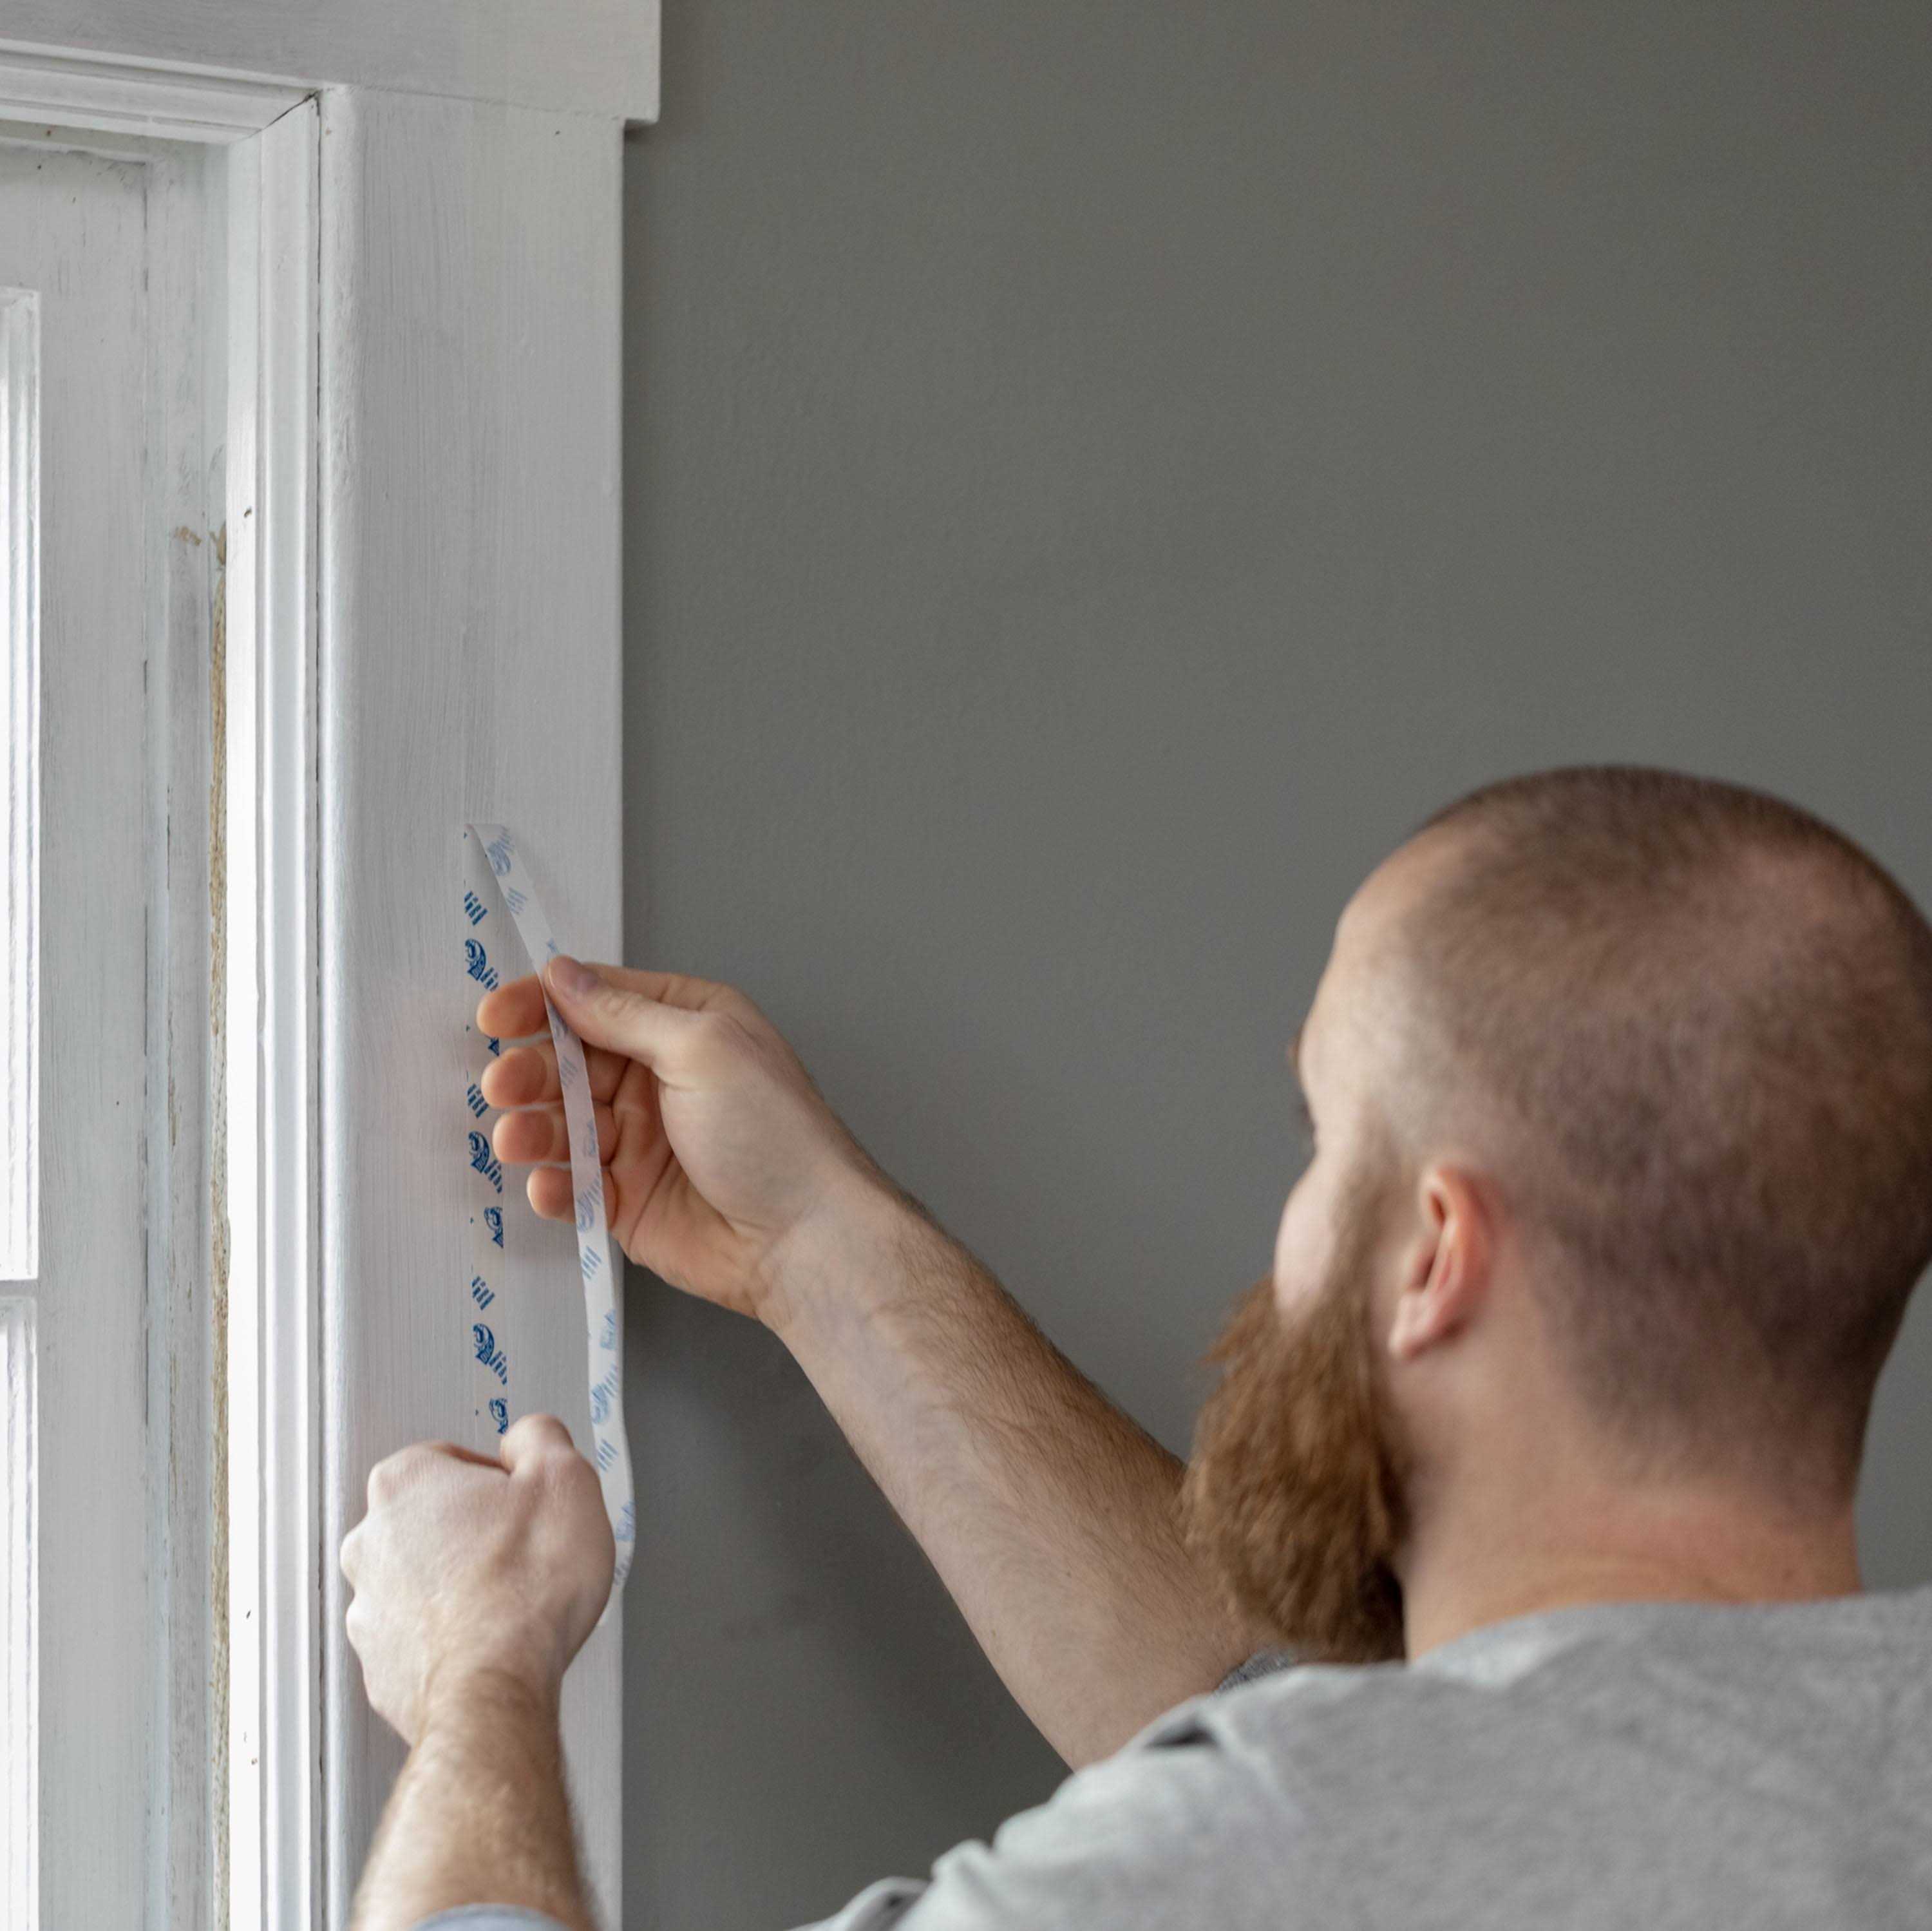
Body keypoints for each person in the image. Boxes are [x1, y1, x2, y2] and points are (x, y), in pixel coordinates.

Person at [339, 764, 1932, 1931]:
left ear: (1434, 1253)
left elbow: (1324, 1802)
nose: (1295, 1211)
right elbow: (1296, 1718)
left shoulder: (1272, 1850)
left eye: (1323, 1139)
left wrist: (480, 1663)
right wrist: (811, 1245)